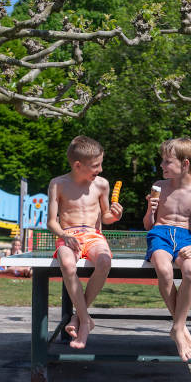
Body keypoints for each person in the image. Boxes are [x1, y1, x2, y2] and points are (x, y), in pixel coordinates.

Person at [47, 135, 123, 349]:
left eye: (101, 163)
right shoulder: (58, 184)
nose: (100, 169)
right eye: (95, 165)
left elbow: (106, 216)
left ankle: (79, 318)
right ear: (78, 165)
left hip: (93, 235)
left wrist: (115, 216)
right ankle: (85, 321)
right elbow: (51, 222)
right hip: (68, 234)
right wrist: (64, 236)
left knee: (105, 261)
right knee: (68, 264)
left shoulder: (102, 184)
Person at [143, 137, 191, 362]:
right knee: (164, 270)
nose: (161, 166)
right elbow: (148, 226)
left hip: (185, 237)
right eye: (162, 161)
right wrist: (150, 210)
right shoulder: (158, 186)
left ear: (185, 164)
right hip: (159, 234)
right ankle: (179, 328)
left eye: (167, 162)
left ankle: (177, 327)